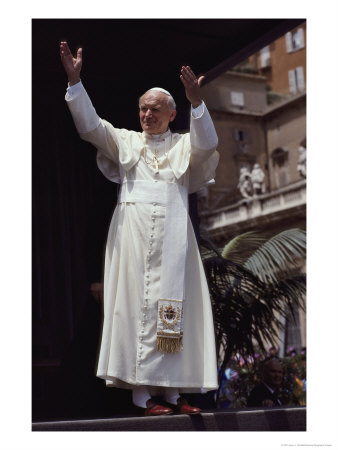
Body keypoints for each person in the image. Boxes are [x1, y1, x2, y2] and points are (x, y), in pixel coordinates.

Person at [60, 41, 220, 416]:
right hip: (132, 242)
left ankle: (176, 393)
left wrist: (198, 102)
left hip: (174, 240)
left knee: (175, 307)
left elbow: (208, 142)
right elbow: (90, 127)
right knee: (137, 310)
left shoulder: (184, 145)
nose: (147, 114)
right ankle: (143, 396)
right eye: (143, 108)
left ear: (171, 113)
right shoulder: (126, 142)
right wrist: (74, 82)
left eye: (155, 109)